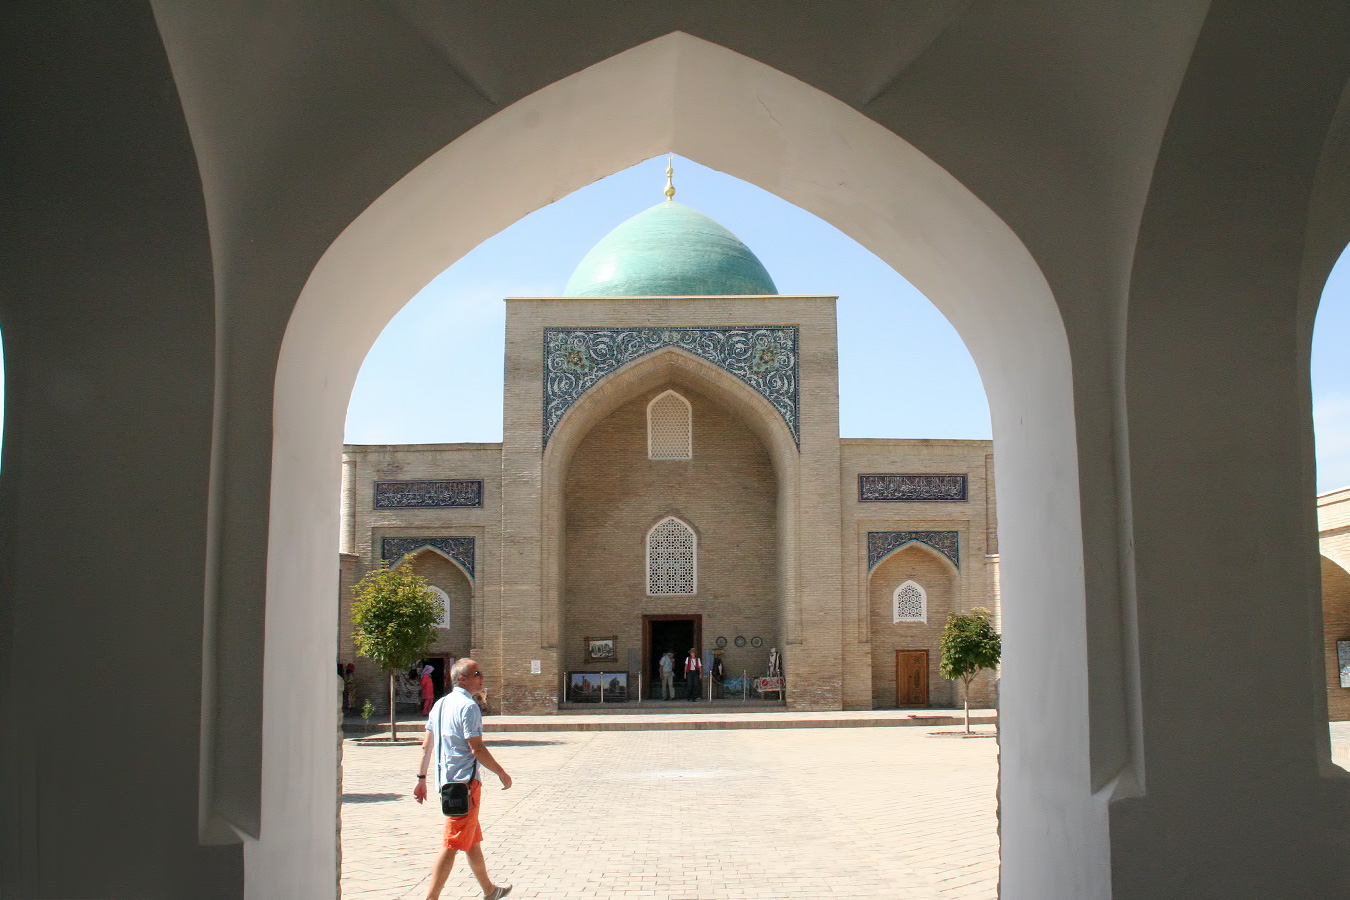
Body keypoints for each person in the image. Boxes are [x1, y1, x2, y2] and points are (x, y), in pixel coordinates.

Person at [413, 658, 513, 900]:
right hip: (464, 786)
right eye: (477, 674)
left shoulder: (440, 705)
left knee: (471, 840)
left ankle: (490, 890)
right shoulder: (469, 707)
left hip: (446, 783)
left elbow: (427, 745)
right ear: (462, 679)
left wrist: (421, 778)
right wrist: (501, 772)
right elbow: (476, 748)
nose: (482, 678)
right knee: (452, 843)